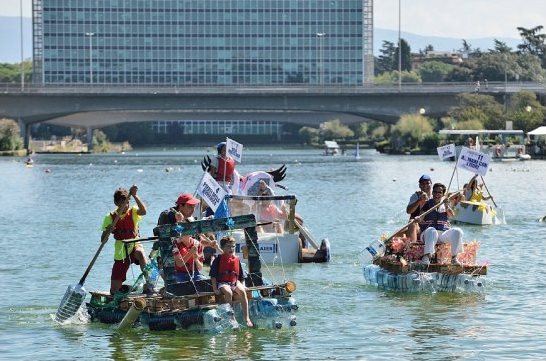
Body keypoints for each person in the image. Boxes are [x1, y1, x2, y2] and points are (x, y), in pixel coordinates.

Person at [101, 185, 152, 295]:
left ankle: (149, 284)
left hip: (134, 245)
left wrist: (135, 195)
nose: (125, 206)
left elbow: (143, 211)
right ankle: (131, 289)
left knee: (140, 252)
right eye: (122, 203)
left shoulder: (133, 211)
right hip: (121, 252)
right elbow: (103, 241)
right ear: (116, 204)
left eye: (127, 203)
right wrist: (107, 231)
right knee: (114, 291)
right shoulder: (110, 217)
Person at [415, 183, 464, 266]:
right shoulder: (427, 204)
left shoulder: (446, 204)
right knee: (432, 230)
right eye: (435, 192)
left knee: (458, 231)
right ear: (432, 192)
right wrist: (418, 218)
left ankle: (454, 258)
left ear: (443, 194)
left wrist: (446, 206)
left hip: (442, 234)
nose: (437, 194)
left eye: (439, 192)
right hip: (428, 234)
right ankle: (426, 257)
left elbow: (452, 216)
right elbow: (421, 217)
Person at [210, 236, 253, 327]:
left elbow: (241, 276)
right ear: (222, 248)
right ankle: (231, 318)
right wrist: (215, 289)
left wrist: (243, 285)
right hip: (222, 283)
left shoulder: (237, 259)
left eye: (233, 246)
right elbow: (213, 277)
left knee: (242, 291)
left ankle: (247, 318)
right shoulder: (217, 260)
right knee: (228, 292)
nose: (231, 249)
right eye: (228, 246)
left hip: (234, 282)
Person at [405, 174, 432, 241]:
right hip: (418, 226)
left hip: (431, 226)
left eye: (427, 183)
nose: (425, 185)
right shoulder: (415, 196)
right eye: (422, 184)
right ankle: (413, 247)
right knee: (412, 222)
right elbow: (408, 211)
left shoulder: (436, 196)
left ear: (431, 184)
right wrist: (419, 201)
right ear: (419, 185)